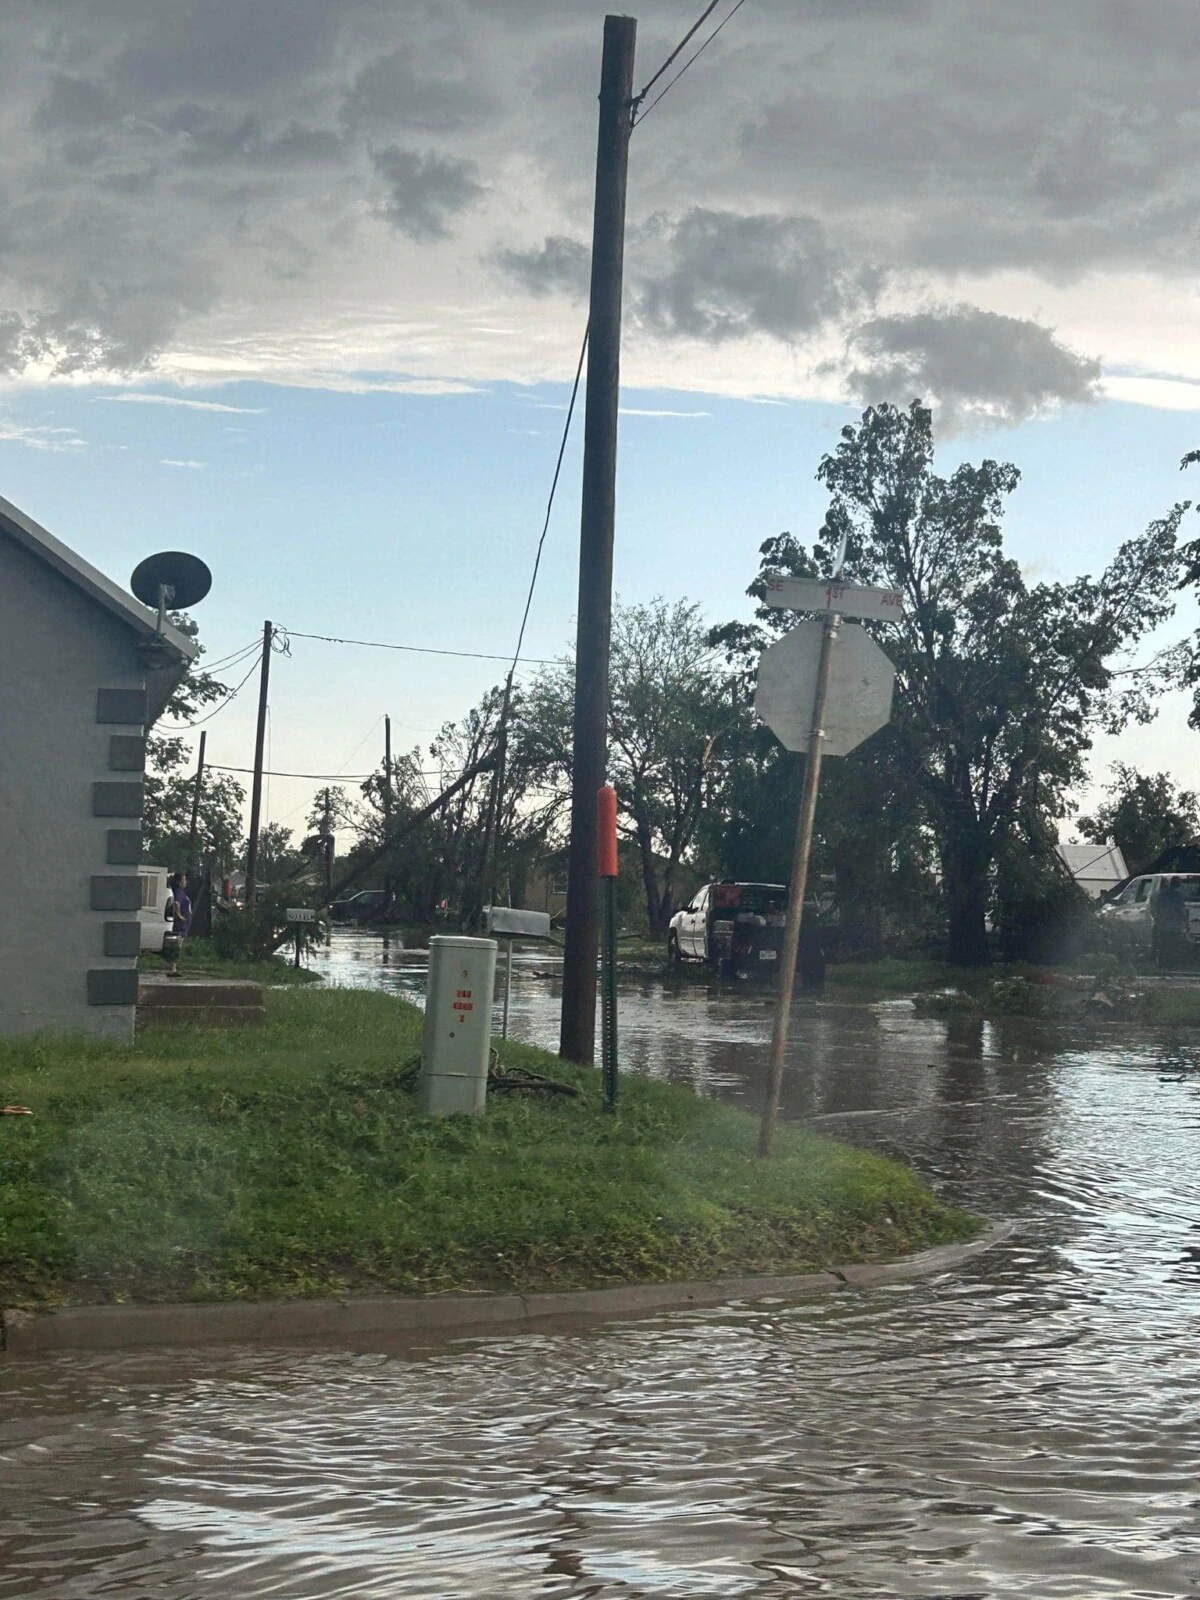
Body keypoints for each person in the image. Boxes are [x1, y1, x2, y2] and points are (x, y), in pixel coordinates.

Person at [1153, 876, 1187, 970]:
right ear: (1178, 884)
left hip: (1163, 924)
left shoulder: (1161, 894)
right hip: (1175, 925)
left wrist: (1158, 920)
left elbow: (1157, 909)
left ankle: (1162, 964)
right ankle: (1172, 965)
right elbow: (1181, 910)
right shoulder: (1178, 894)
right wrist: (1186, 923)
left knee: (1164, 945)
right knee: (1174, 945)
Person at [163, 872, 192, 977]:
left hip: (184, 925)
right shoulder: (179, 892)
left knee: (178, 946)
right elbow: (176, 903)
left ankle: (173, 967)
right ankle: (172, 969)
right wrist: (179, 915)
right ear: (180, 881)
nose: (186, 882)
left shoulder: (181, 892)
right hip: (180, 926)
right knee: (176, 946)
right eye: (184, 880)